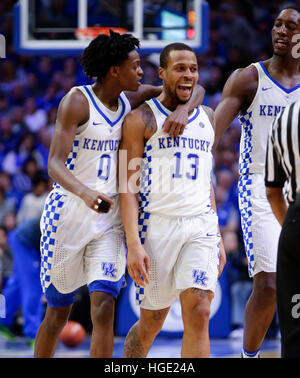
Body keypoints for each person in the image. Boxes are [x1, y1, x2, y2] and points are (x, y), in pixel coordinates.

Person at [34, 31, 204, 358]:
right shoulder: (77, 101)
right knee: (57, 314)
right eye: (136, 66)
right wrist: (85, 193)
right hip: (68, 213)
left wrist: (184, 111)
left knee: (103, 308)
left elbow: (193, 89)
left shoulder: (131, 99)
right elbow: (54, 164)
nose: (141, 72)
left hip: (109, 220)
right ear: (114, 70)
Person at [119, 42, 225, 358]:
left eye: (193, 68)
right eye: (180, 68)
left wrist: (217, 233)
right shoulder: (140, 120)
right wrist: (134, 245)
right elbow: (128, 187)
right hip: (157, 227)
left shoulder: (207, 116)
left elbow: (206, 179)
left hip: (200, 226)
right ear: (162, 73)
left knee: (199, 311)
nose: (188, 75)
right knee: (152, 321)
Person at [214, 5, 300, 358]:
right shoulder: (249, 78)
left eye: (290, 26)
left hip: (298, 189)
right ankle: (248, 356)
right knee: (267, 282)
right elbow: (210, 133)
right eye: (277, 24)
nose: (280, 30)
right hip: (259, 186)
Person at [265, 99, 300, 358]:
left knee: (294, 331)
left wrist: (291, 226)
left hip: (295, 222)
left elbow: (272, 191)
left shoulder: (283, 117)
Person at [0, 216, 43, 347]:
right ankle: (33, 333)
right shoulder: (65, 215)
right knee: (33, 287)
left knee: (18, 284)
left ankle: (2, 318)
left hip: (20, 238)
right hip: (25, 243)